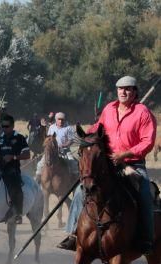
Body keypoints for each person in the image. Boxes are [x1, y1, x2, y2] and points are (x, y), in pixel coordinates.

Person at [58, 75, 157, 253]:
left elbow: (147, 142)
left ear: (135, 92)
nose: (123, 92)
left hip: (132, 164)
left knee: (144, 191)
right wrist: (84, 137)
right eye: (121, 89)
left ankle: (146, 239)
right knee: (81, 190)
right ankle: (73, 234)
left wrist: (125, 154)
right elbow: (97, 127)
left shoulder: (143, 113)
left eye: (128, 89)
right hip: (107, 164)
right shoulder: (109, 109)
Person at [0, 114, 31, 224]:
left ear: (13, 126)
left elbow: (27, 154)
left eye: (7, 126)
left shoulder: (19, 138)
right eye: (3, 126)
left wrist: (13, 157)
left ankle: (18, 213)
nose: (4, 128)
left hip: (12, 170)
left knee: (15, 188)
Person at [36, 112, 77, 179]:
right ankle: (37, 179)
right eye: (59, 119)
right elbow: (48, 138)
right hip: (52, 150)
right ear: (56, 119)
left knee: (73, 163)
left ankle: (74, 180)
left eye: (62, 119)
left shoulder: (68, 128)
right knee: (40, 164)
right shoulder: (52, 127)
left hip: (64, 150)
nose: (61, 121)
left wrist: (63, 145)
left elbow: (71, 140)